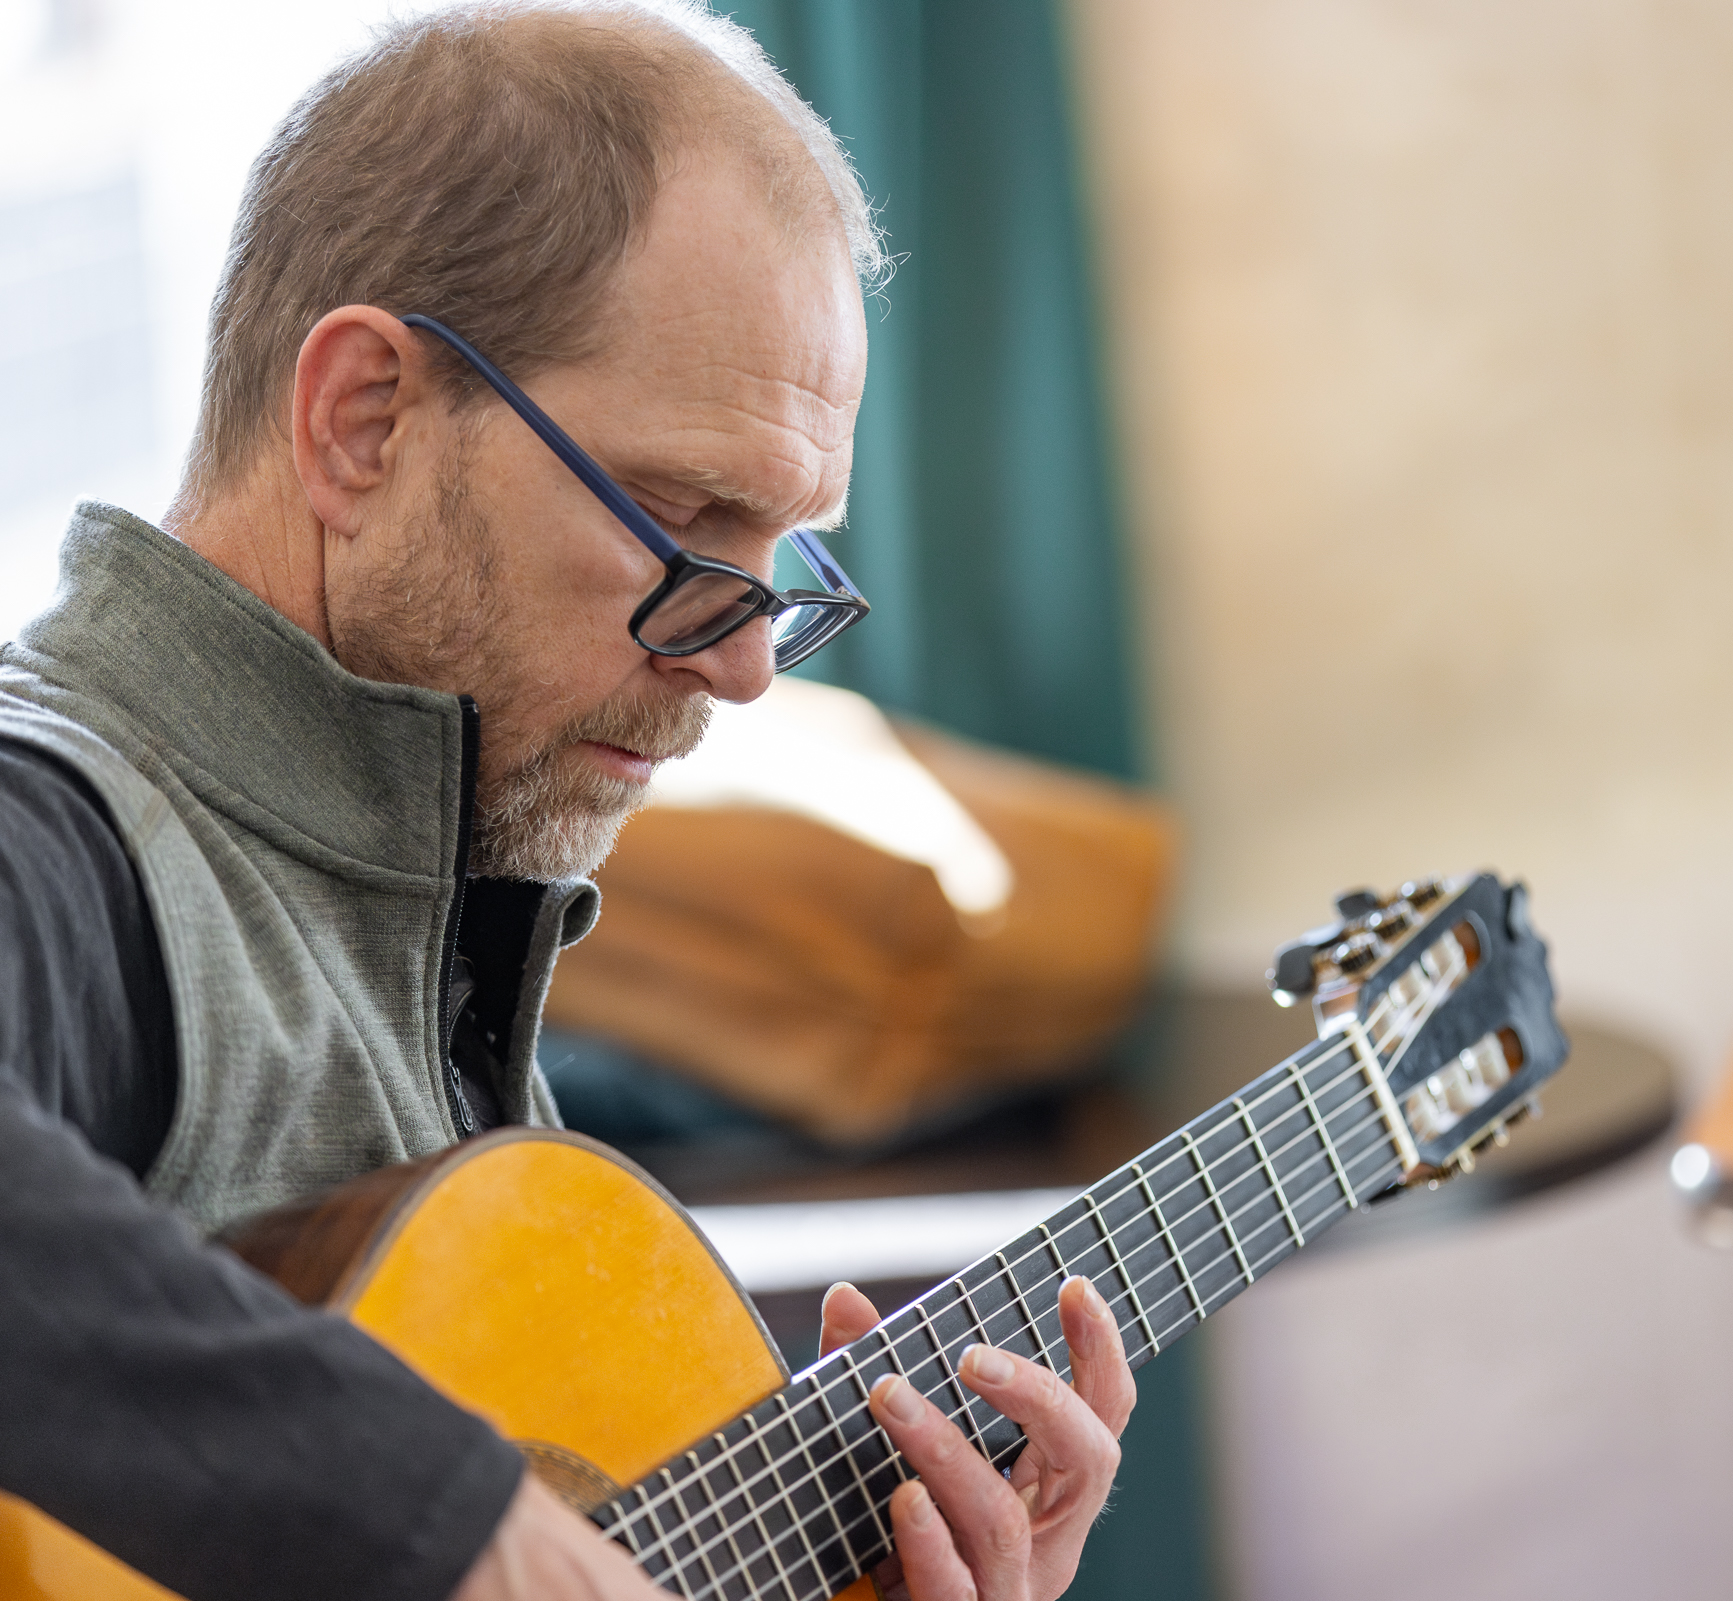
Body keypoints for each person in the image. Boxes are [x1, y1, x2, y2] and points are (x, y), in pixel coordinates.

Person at [0, 4, 1133, 1599]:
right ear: (362, 420)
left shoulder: (431, 886)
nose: (747, 668)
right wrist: (441, 1518)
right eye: (682, 523)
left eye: (782, 565)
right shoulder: (54, 828)